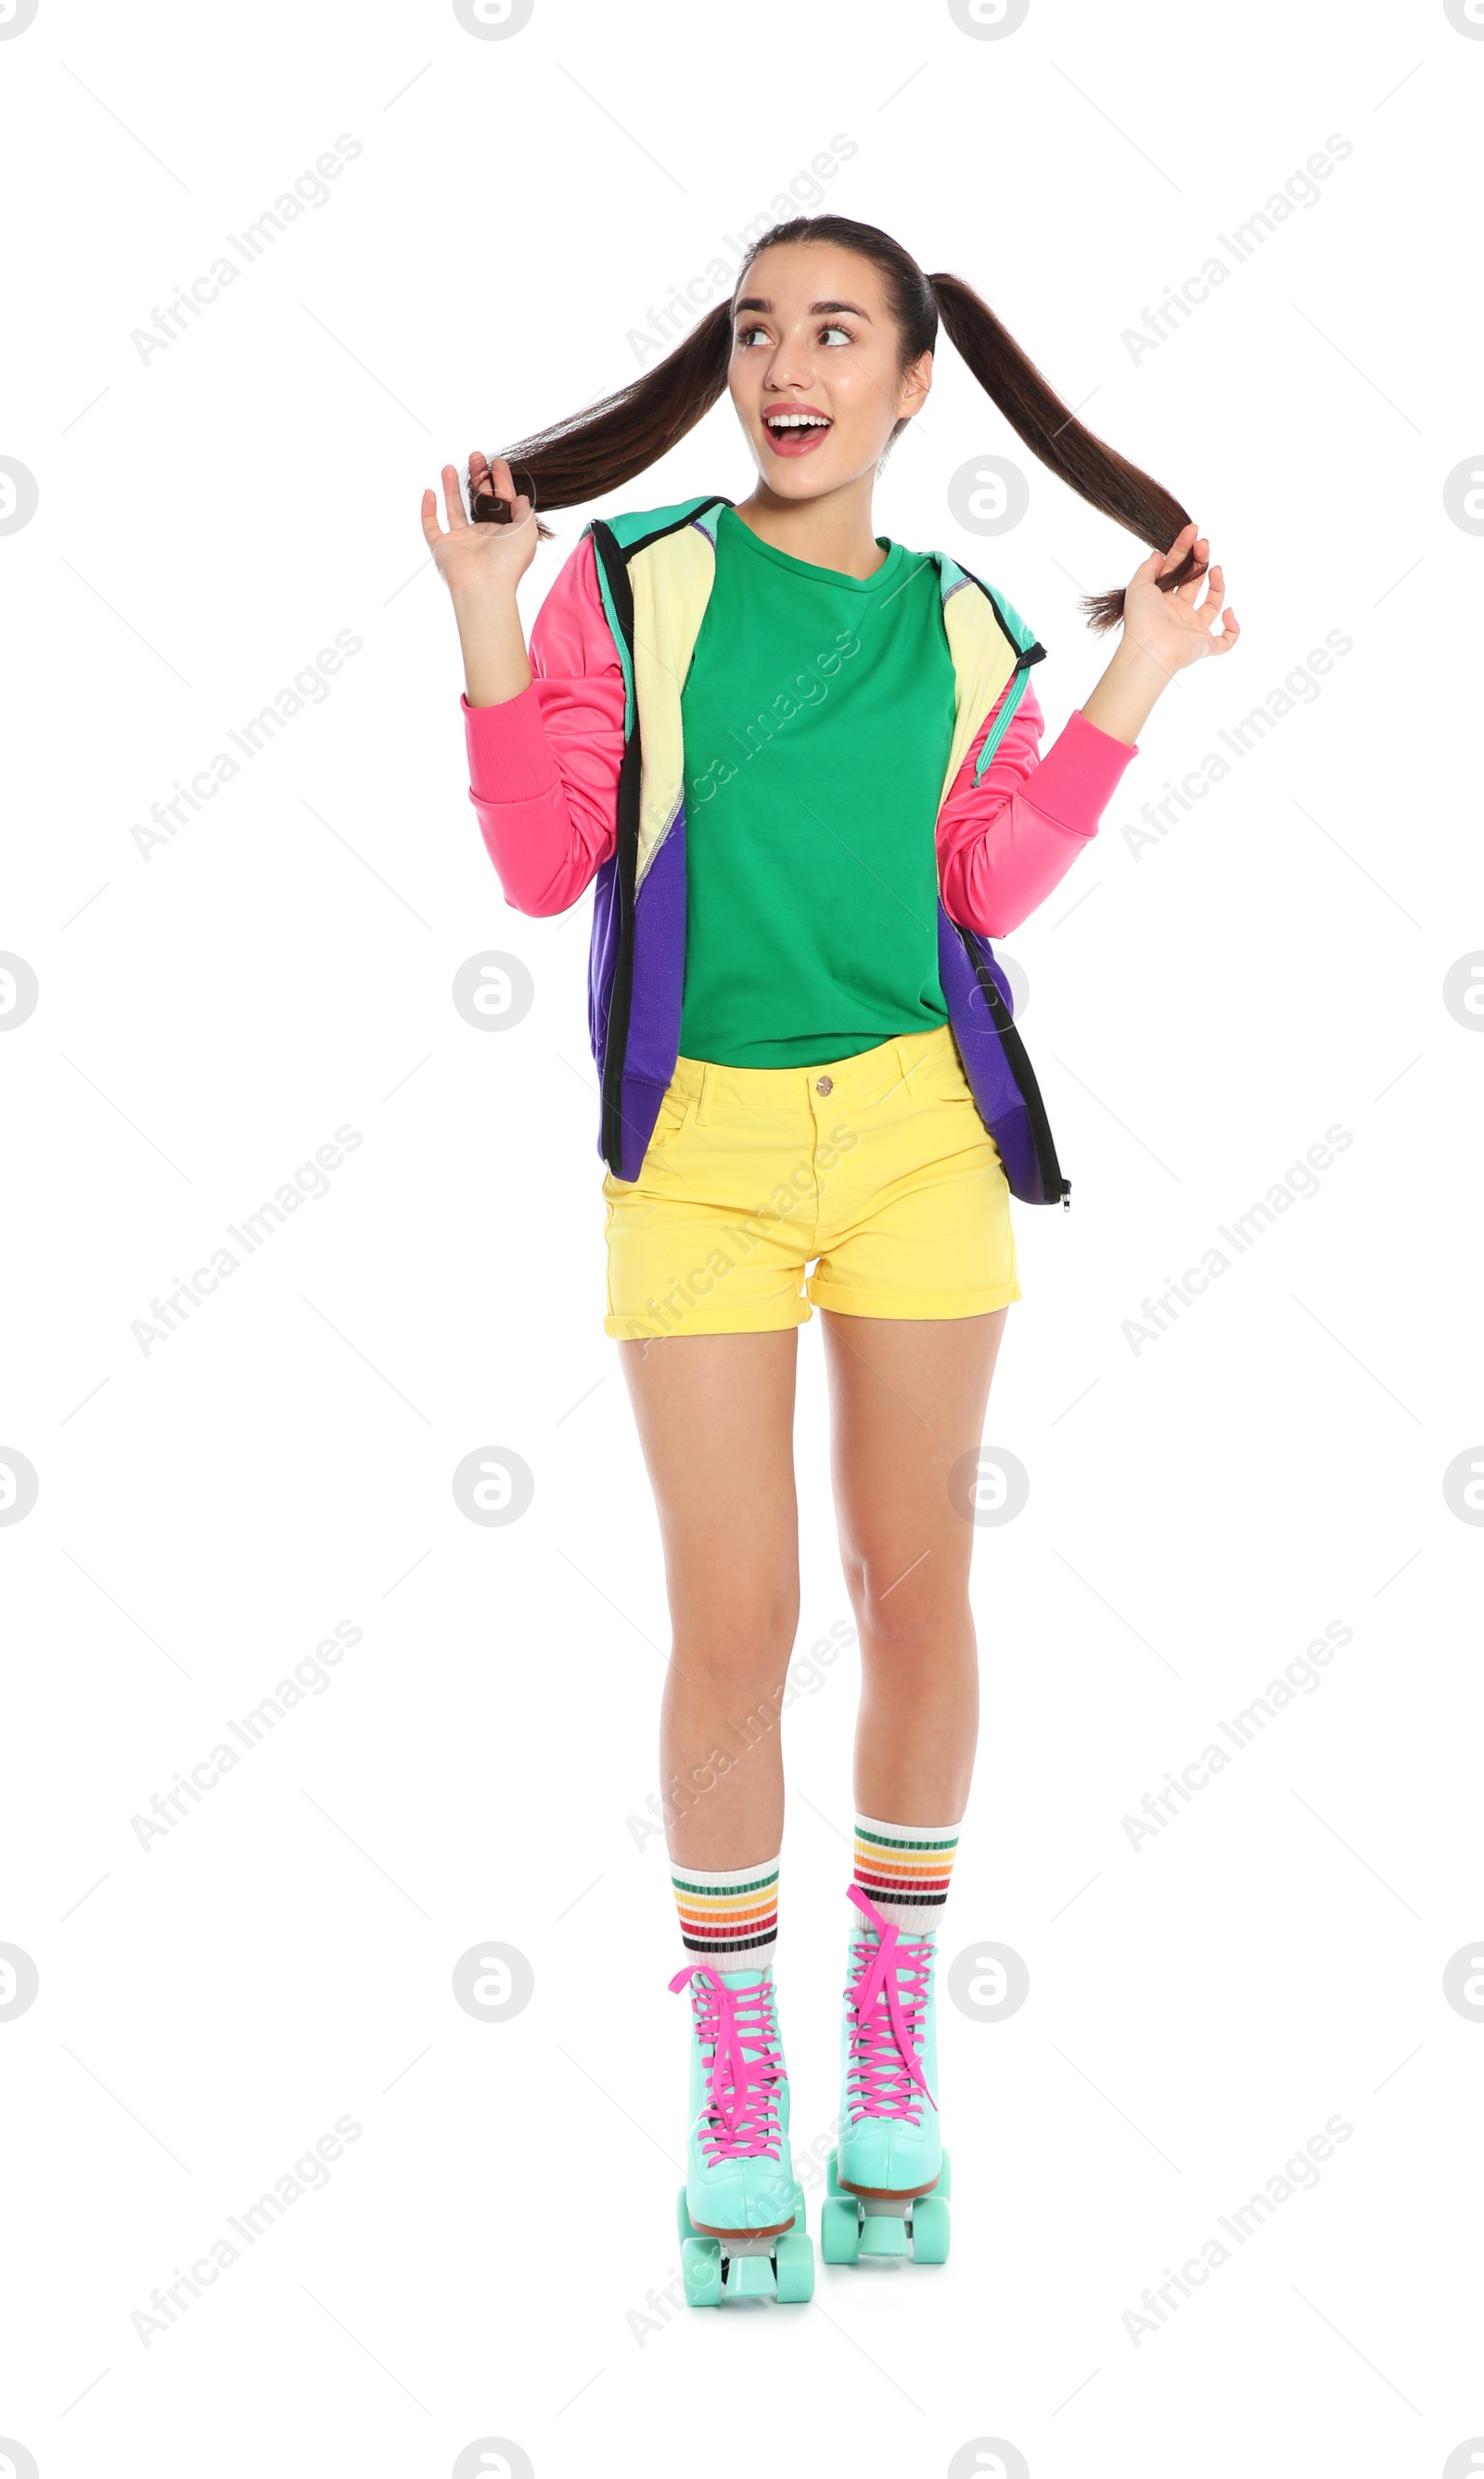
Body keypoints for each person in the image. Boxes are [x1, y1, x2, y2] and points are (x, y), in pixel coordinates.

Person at [421, 213, 1237, 2304]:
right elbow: (538, 865)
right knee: (737, 1613)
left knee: (911, 1581)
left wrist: (1133, 670)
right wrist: (486, 620)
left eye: (836, 331)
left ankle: (888, 2043)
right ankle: (728, 2058)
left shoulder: (965, 625)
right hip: (690, 1149)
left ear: (909, 387)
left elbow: (984, 879)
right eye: (758, 328)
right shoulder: (635, 584)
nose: (789, 361)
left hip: (908, 1139)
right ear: (730, 369)